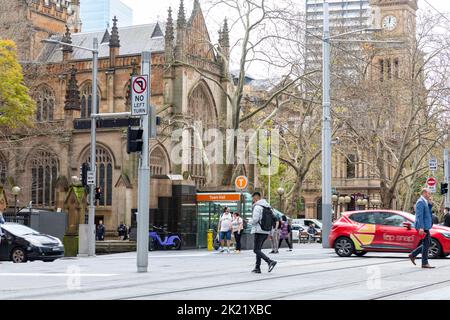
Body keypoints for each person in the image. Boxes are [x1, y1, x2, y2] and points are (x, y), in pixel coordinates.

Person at [251, 192, 277, 273]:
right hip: (266, 231)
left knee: (256, 250)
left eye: (253, 199)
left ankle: (269, 261)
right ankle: (257, 267)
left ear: (255, 198)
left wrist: (249, 221)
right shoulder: (268, 207)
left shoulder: (257, 207)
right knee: (259, 249)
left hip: (258, 231)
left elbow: (255, 219)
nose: (253, 200)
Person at [408, 188, 435, 269]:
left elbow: (428, 213)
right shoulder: (420, 202)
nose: (430, 195)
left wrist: (430, 204)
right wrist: (421, 227)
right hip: (422, 226)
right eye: (429, 193)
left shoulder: (425, 201)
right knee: (427, 243)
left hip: (425, 226)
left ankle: (413, 254)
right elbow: (419, 216)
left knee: (428, 243)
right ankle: (424, 263)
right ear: (424, 193)